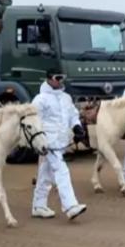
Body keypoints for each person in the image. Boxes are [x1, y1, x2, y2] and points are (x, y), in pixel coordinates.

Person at [30, 70, 88, 220]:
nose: (60, 81)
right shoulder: (40, 99)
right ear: (49, 79)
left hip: (61, 141)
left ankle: (39, 205)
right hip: (47, 142)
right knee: (61, 171)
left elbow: (72, 115)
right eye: (57, 78)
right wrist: (39, 142)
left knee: (45, 173)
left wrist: (77, 127)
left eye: (63, 78)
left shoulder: (66, 98)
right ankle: (70, 206)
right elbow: (33, 122)